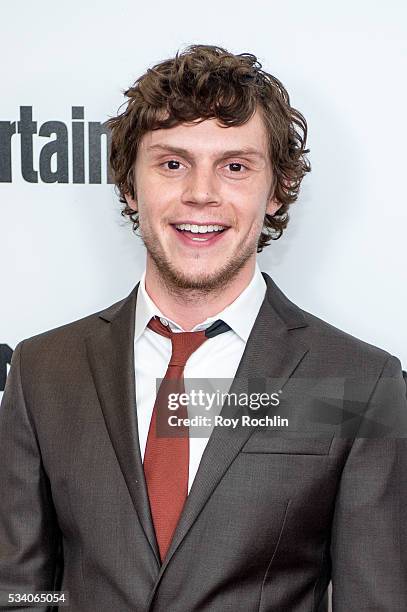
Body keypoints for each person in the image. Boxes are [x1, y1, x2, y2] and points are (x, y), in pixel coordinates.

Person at [0, 44, 406, 612]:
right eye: (172, 163)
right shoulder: (44, 369)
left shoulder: (359, 384)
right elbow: (20, 590)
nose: (201, 193)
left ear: (278, 189)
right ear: (128, 185)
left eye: (235, 166)